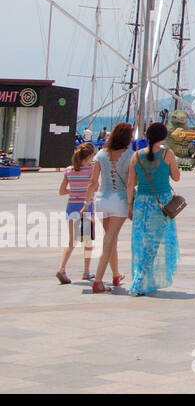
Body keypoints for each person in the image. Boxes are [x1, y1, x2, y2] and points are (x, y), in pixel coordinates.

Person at [126, 122, 181, 295]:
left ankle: (143, 277)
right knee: (154, 243)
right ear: (163, 136)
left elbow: (130, 183)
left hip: (141, 202)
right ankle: (140, 280)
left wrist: (129, 205)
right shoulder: (167, 153)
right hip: (161, 202)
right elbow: (176, 177)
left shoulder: (136, 155)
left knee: (142, 242)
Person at [87, 122, 134, 293]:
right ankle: (98, 280)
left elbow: (93, 182)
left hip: (101, 198)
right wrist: (130, 204)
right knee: (110, 238)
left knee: (110, 238)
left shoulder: (101, 154)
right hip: (119, 199)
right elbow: (130, 183)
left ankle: (115, 274)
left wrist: (86, 201)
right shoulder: (130, 155)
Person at [56, 143, 97, 284]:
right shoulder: (91, 170)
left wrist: (73, 191)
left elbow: (61, 191)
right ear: (90, 156)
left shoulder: (69, 170)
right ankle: (86, 272)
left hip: (71, 206)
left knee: (71, 241)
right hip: (86, 207)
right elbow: (95, 188)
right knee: (87, 241)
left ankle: (61, 268)